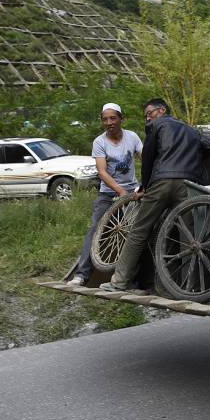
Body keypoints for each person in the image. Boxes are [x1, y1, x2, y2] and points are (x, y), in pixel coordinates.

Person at [100, 98, 210, 292]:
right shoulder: (191, 130)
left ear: (162, 110)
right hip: (187, 184)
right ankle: (189, 288)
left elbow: (147, 158)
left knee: (139, 231)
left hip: (162, 181)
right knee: (188, 239)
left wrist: (144, 186)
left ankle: (119, 282)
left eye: (149, 113)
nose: (148, 118)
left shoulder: (157, 125)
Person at [68, 103, 143, 287]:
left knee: (135, 233)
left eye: (113, 118)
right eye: (105, 119)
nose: (109, 122)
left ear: (121, 119)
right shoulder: (99, 142)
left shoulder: (132, 137)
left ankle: (133, 279)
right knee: (95, 230)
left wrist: (142, 186)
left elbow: (146, 158)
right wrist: (121, 192)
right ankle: (82, 275)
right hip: (108, 194)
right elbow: (102, 172)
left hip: (132, 193)